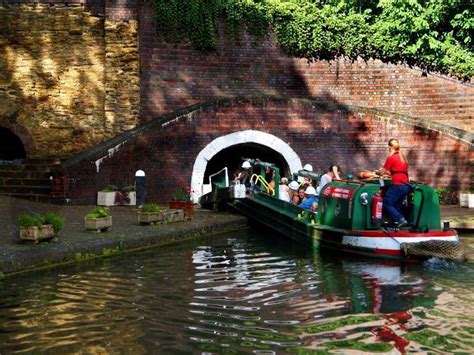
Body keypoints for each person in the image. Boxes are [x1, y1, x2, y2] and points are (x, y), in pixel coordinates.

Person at [375, 138, 410, 227]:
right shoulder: (402, 157)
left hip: (398, 184)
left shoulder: (391, 157)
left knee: (386, 203)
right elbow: (396, 171)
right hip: (406, 185)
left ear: (389, 147)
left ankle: (400, 219)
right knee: (397, 205)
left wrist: (377, 172)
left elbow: (382, 173)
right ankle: (397, 223)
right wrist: (388, 173)